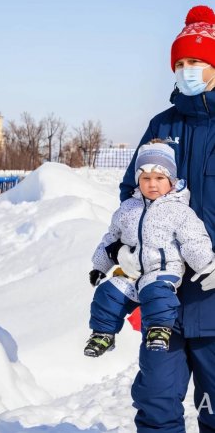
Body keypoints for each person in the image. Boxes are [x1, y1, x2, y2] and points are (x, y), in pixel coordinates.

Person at [118, 4, 215, 433]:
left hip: (214, 297)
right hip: (165, 297)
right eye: (180, 62)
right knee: (156, 404)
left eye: (196, 61)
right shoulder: (161, 124)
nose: (187, 69)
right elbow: (130, 191)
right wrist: (130, 242)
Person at [84, 140, 214, 358]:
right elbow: (111, 238)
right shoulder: (128, 208)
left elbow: (193, 239)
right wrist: (100, 266)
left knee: (157, 294)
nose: (152, 184)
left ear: (171, 180)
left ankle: (159, 330)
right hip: (131, 271)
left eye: (159, 178)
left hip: (162, 270)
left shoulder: (178, 210)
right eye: (145, 178)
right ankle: (102, 334)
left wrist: (207, 265)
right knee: (108, 292)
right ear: (138, 180)